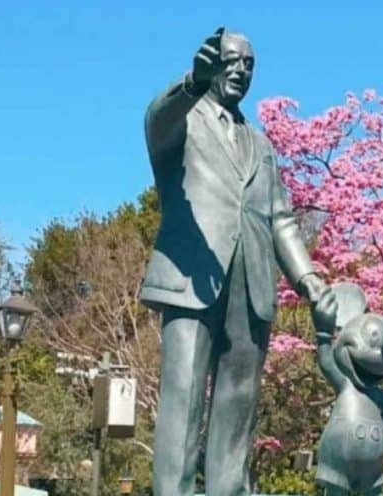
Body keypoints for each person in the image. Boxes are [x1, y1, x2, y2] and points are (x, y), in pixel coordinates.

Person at [140, 26, 337, 496]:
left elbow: (281, 219)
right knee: (183, 402)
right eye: (232, 62)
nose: (241, 71)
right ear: (212, 65)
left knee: (238, 408)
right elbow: (155, 121)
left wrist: (308, 280)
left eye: (249, 65)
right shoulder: (182, 121)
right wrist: (190, 82)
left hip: (250, 287)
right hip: (190, 279)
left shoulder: (261, 145)